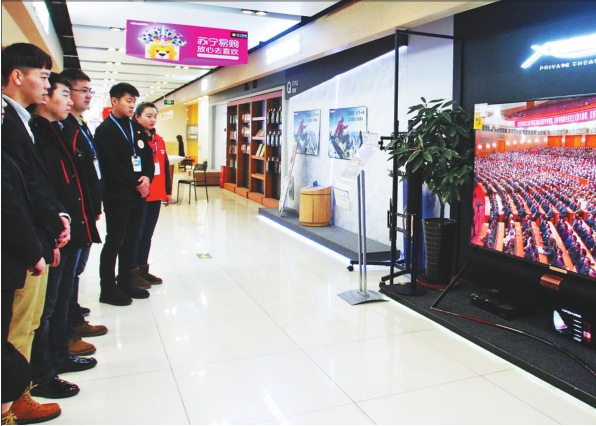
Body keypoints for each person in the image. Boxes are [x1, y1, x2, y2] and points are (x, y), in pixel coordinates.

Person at [1, 42, 67, 424]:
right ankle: (11, 401)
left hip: (35, 237)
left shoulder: (19, 119)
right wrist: (37, 240)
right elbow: (13, 192)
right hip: (18, 245)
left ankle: (17, 393)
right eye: (43, 77)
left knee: (28, 323)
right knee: (15, 327)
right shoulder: (6, 122)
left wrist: (55, 222)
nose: (47, 85)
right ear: (17, 76)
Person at [28, 73, 99, 399]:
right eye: (65, 93)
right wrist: (59, 224)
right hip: (55, 230)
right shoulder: (36, 132)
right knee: (46, 305)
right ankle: (42, 370)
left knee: (59, 295)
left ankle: (58, 352)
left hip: (71, 224)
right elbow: (41, 187)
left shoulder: (62, 130)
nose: (70, 100)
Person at [60, 68, 107, 356]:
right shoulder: (62, 128)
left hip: (86, 209)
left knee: (75, 271)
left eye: (90, 91)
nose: (87, 96)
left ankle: (73, 315)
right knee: (68, 274)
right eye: (82, 91)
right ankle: (67, 331)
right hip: (73, 213)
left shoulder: (80, 125)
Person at [95, 83, 154, 306]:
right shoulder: (105, 130)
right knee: (115, 241)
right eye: (128, 101)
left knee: (132, 240)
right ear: (114, 101)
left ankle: (126, 282)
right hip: (117, 195)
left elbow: (147, 158)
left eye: (133, 101)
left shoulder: (135, 127)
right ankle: (108, 289)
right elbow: (109, 165)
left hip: (137, 195)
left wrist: (147, 178)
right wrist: (136, 183)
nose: (132, 105)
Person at [132, 103, 172, 287]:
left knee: (147, 235)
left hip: (156, 195)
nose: (152, 119)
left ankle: (143, 269)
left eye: (154, 116)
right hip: (139, 195)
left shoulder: (158, 139)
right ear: (137, 117)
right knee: (136, 235)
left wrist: (168, 192)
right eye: (148, 116)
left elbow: (165, 166)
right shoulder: (133, 138)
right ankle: (131, 271)